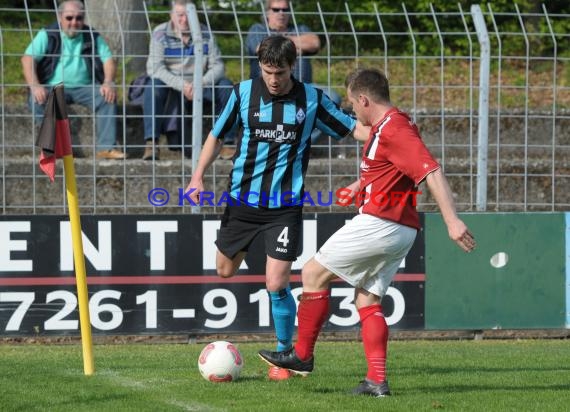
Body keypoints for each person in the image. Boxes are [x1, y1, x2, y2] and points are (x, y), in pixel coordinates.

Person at [258, 68, 476, 396]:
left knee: (314, 273)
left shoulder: (395, 129)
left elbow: (430, 170)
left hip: (381, 223)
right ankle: (376, 380)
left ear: (364, 99)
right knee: (367, 298)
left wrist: (452, 221)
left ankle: (301, 355)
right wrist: (359, 185)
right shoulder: (390, 125)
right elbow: (392, 169)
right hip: (399, 228)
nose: (353, 112)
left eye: (352, 105)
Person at [185, 36, 367, 381]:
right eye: (267, 71)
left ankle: (284, 356)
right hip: (241, 202)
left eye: (279, 72)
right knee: (224, 270)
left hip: (285, 207)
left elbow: (353, 128)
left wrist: (387, 127)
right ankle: (284, 352)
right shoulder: (242, 93)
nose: (273, 79)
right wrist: (197, 178)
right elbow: (216, 135)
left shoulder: (311, 98)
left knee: (276, 280)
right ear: (260, 66)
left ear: (291, 67)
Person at [21, 0, 125, 160]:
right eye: (69, 18)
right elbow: (28, 59)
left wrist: (108, 81)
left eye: (79, 18)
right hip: (53, 87)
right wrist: (35, 85)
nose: (74, 22)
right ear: (60, 17)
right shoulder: (48, 34)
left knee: (107, 97)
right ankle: (51, 147)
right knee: (36, 99)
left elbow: (108, 59)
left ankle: (106, 148)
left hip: (85, 88)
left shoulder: (92, 35)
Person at [243, 0, 342, 155]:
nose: (281, 13)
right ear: (267, 12)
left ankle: (298, 143)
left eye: (285, 9)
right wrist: (295, 46)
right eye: (276, 9)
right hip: (269, 88)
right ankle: (278, 145)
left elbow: (315, 42)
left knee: (333, 97)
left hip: (304, 88)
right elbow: (259, 48)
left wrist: (280, 43)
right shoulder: (257, 29)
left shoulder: (300, 28)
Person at [142, 0, 233, 161]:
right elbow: (155, 68)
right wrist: (182, 85)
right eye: (180, 15)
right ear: (171, 16)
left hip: (202, 83)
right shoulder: (159, 33)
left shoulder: (206, 33)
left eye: (188, 15)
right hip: (172, 85)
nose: (184, 19)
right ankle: (152, 143)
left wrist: (200, 84)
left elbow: (218, 66)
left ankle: (227, 142)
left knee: (226, 87)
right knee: (153, 86)